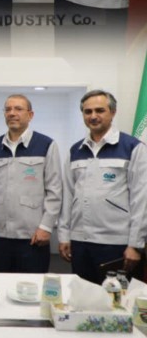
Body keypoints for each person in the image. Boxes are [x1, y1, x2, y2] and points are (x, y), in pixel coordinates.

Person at [58, 89, 147, 284]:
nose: (93, 116)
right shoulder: (75, 150)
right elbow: (67, 196)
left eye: (100, 110)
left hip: (116, 244)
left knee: (117, 299)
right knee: (83, 297)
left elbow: (141, 200)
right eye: (87, 112)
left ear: (113, 112)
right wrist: (64, 235)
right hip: (80, 243)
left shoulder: (133, 147)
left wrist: (135, 245)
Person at [0, 94, 62, 273]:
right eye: (8, 109)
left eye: (18, 109)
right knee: (2, 285)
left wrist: (46, 227)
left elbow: (55, 191)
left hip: (33, 236)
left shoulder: (46, 145)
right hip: (1, 236)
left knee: (33, 285)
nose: (12, 113)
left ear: (30, 115)